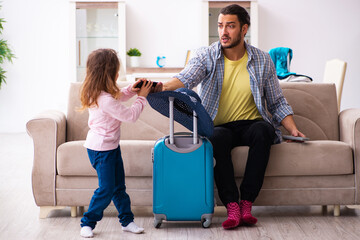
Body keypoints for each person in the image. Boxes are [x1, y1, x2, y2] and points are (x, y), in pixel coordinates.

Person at [154, 4, 305, 230]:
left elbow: (276, 101)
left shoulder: (263, 60)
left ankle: (246, 203)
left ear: (244, 29)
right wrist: (158, 87)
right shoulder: (207, 55)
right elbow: (186, 78)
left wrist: (292, 128)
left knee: (264, 131)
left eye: (230, 26)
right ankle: (232, 206)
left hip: (252, 124)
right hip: (219, 125)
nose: (223, 32)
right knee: (216, 138)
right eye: (220, 25)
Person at [79, 48, 153, 238]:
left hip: (110, 148)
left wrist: (132, 89)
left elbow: (117, 95)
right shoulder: (103, 99)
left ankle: (127, 221)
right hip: (101, 150)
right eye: (115, 71)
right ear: (110, 74)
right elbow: (130, 116)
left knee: (119, 187)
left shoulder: (101, 93)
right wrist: (142, 97)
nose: (118, 74)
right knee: (107, 189)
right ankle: (87, 222)